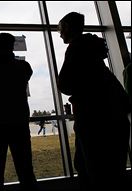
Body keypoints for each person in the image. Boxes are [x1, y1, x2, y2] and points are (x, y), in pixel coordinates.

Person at [57, 12, 130, 190]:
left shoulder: (76, 48)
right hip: (114, 118)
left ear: (67, 27)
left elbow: (64, 84)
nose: (59, 34)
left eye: (60, 29)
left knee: (91, 168)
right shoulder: (96, 57)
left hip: (92, 119)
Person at [0, 33, 38, 191]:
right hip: (19, 124)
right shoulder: (23, 67)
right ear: (12, 46)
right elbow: (27, 74)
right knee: (25, 170)